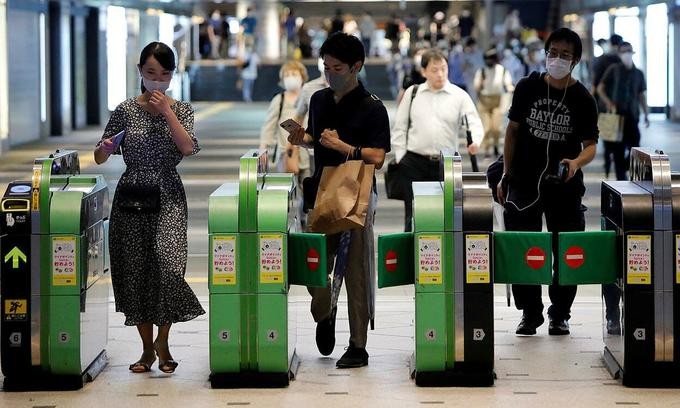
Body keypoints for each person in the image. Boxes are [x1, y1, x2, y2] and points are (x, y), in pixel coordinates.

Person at [93, 42, 205, 373]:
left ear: (172, 75)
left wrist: (167, 112)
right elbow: (100, 155)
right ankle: (146, 350)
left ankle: (164, 342)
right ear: (140, 71)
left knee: (169, 268)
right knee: (135, 270)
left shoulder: (182, 109)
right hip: (131, 197)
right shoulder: (125, 110)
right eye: (151, 72)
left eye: (164, 74)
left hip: (168, 194)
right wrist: (104, 147)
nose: (157, 80)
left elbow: (187, 148)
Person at [287, 32, 390, 368]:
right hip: (321, 192)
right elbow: (319, 141)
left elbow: (378, 157)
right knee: (314, 265)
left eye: (337, 68)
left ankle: (358, 345)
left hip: (356, 196)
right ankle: (325, 309)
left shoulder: (373, 107)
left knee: (357, 272)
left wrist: (344, 147)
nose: (330, 74)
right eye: (325, 67)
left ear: (356, 67)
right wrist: (303, 140)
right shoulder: (318, 100)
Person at [496, 28, 598, 336]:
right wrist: (506, 174)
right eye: (552, 52)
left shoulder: (582, 99)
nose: (556, 59)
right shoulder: (528, 87)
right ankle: (530, 313)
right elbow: (512, 131)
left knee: (565, 251)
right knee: (524, 249)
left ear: (576, 60)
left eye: (565, 55)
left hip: (564, 186)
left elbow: (591, 144)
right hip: (525, 181)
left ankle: (560, 313)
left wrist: (577, 163)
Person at [392, 48, 483, 232]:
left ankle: (443, 256)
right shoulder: (413, 93)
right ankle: (412, 255)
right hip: (414, 162)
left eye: (443, 68)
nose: (440, 74)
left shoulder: (459, 95)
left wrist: (475, 142)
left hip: (446, 163)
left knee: (445, 215)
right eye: (434, 70)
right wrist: (401, 156)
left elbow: (474, 123)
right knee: (414, 214)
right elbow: (400, 127)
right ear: (424, 71)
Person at [597, 42, 649, 181]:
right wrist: (608, 102)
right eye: (623, 51)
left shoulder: (638, 73)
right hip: (616, 116)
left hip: (632, 115)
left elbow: (641, 94)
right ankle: (621, 180)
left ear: (632, 52)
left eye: (629, 51)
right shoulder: (613, 69)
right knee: (618, 150)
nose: (626, 54)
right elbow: (600, 88)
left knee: (635, 146)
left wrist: (646, 114)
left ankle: (625, 168)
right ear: (619, 54)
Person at [259, 60, 310, 181]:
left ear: (302, 77)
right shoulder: (279, 100)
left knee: (308, 190)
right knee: (287, 191)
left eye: (294, 74)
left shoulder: (309, 98)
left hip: (307, 154)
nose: (290, 78)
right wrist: (263, 147)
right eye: (287, 75)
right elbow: (268, 126)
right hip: (285, 153)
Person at [591, 34, 623, 179]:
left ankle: (609, 165)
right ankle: (615, 167)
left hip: (604, 106)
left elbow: (595, 84)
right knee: (616, 141)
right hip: (615, 105)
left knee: (609, 139)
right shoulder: (619, 60)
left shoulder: (601, 60)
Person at [474, 48, 514, 158]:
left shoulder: (502, 70)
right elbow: (476, 87)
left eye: (491, 59)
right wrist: (480, 84)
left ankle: (496, 145)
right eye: (487, 59)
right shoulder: (481, 71)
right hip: (484, 101)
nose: (489, 61)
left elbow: (508, 84)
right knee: (486, 127)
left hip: (497, 100)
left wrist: (511, 88)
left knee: (496, 127)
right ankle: (487, 149)